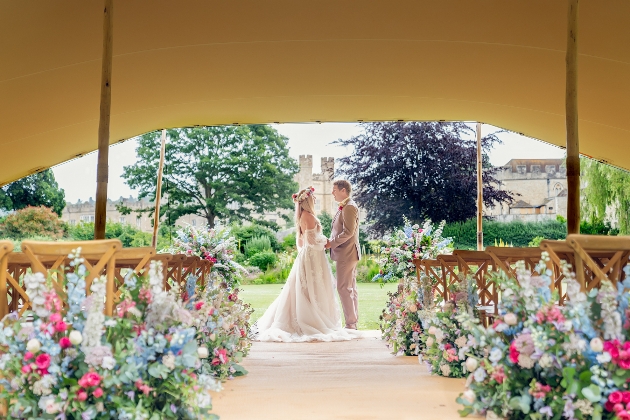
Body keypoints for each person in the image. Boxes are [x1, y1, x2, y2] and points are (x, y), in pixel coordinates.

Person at [255, 186, 361, 342]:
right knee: (312, 288)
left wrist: (310, 248)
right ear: (308, 200)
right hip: (313, 256)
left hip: (309, 255)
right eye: (313, 198)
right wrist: (326, 242)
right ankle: (323, 320)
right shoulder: (309, 216)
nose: (315, 200)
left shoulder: (302, 216)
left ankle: (350, 322)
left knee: (307, 288)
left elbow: (302, 241)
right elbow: (312, 241)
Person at [325, 180, 360, 329]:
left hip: (347, 254)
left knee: (343, 288)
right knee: (349, 288)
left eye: (334, 190)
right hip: (347, 253)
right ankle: (353, 323)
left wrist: (330, 243)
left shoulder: (349, 207)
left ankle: (351, 324)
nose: (332, 193)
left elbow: (348, 232)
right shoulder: (345, 206)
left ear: (343, 190)